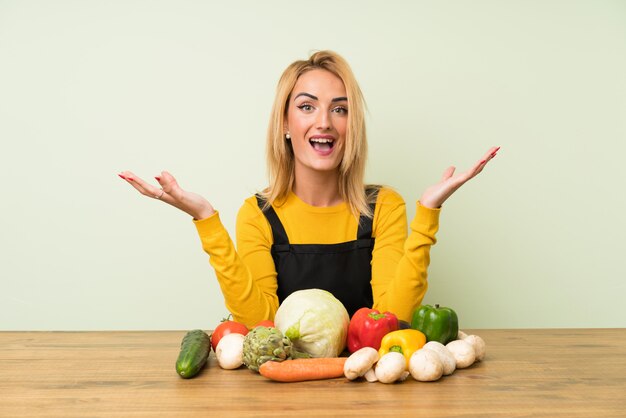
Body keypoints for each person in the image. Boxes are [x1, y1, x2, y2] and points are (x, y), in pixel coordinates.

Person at [119, 50, 499, 327]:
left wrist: (428, 216)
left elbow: (394, 317)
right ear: (285, 123)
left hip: (370, 386)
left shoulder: (383, 205)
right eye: (306, 107)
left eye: (340, 109)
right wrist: (205, 218)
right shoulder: (258, 214)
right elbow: (259, 323)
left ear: (353, 125)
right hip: (283, 395)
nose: (325, 123)